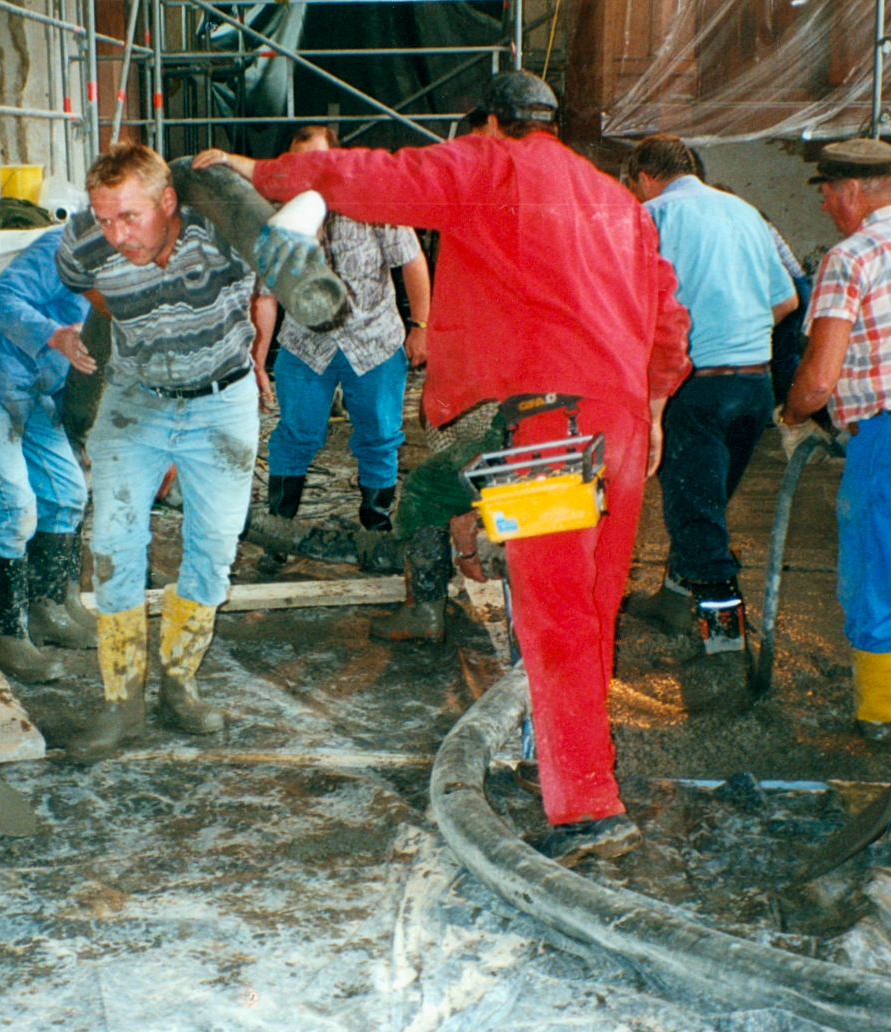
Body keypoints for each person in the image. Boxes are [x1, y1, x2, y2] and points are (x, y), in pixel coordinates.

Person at [195, 70, 691, 866]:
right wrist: (655, 403)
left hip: (549, 429)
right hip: (622, 422)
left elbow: (373, 176)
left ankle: (588, 806)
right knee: (590, 608)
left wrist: (258, 174)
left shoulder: (494, 164)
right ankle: (561, 756)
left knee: (552, 615)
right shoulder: (616, 201)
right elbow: (668, 316)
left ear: (489, 124)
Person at [53, 143, 276, 764]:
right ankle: (121, 700)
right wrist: (111, 317)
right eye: (104, 217)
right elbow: (76, 280)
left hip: (220, 404)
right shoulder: (85, 241)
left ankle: (180, 682)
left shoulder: (224, 234)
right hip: (135, 399)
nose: (116, 235)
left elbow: (280, 262)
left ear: (169, 202)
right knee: (115, 546)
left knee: (214, 548)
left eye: (130, 217)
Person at [621, 135, 797, 671]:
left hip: (693, 387)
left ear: (644, 177)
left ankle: (724, 650)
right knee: (703, 503)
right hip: (752, 386)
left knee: (697, 518)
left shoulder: (652, 216)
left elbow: (632, 304)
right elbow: (787, 299)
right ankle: (674, 603)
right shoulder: (745, 211)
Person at [780, 138, 891, 743]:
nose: (823, 204)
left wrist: (792, 412)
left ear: (851, 191)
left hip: (889, 433)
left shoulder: (850, 257)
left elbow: (819, 379)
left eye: (825, 191)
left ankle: (882, 714)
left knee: (878, 568)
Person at [231, 125, 431, 571]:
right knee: (295, 435)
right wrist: (258, 361)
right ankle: (279, 534)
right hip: (306, 349)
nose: (311, 174)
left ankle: (375, 534)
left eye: (320, 162)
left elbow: (412, 262)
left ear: (339, 161)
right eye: (299, 165)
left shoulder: (374, 204)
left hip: (374, 343)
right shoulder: (277, 220)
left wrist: (422, 325)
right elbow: (265, 295)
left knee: (379, 438)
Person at [0, 226, 96, 685]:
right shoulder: (67, 248)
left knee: (69, 492)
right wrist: (53, 335)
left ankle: (51, 609)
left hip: (39, 382)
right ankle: (8, 634)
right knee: (17, 509)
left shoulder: (136, 269)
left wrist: (80, 433)